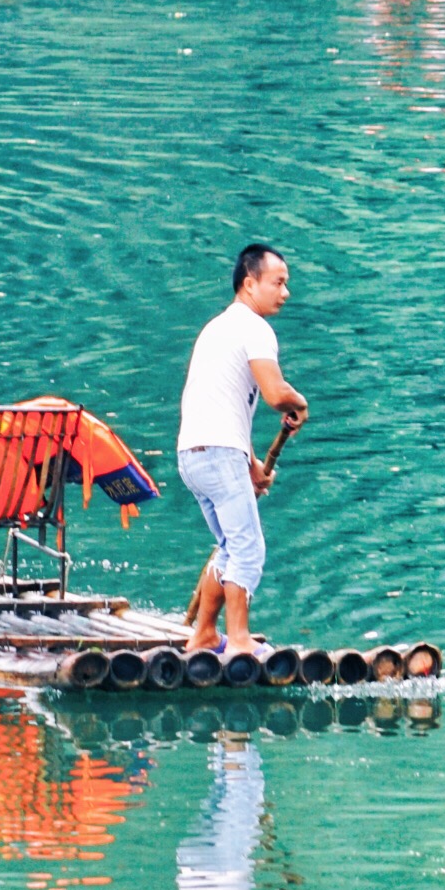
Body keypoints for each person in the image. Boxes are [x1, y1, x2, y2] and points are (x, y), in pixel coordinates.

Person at [176, 244, 308, 659]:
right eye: (279, 283)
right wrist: (298, 402)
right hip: (218, 454)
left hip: (192, 455)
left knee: (231, 546)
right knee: (249, 548)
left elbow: (220, 405)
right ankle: (238, 640)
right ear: (250, 284)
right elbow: (274, 394)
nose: (286, 293)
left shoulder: (215, 328)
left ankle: (202, 636)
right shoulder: (254, 328)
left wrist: (251, 464)